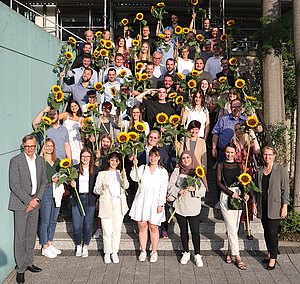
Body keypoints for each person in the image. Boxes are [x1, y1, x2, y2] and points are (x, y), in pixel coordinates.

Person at [9, 134, 47, 284]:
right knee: (20, 237)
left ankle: (29, 262)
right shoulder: (16, 161)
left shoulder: (41, 160)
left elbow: (44, 181)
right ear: (23, 146)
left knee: (31, 235)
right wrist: (29, 201)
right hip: (20, 203)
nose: (30, 149)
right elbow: (14, 185)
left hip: (35, 202)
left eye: (32, 146)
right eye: (27, 146)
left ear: (36, 145)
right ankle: (20, 269)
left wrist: (36, 200)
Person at [167, 151, 207, 267]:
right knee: (183, 231)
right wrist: (178, 191)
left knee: (195, 231)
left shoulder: (198, 171)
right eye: (183, 158)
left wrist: (194, 189)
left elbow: (203, 190)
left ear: (192, 158)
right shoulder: (177, 171)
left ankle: (197, 254)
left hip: (193, 206)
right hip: (180, 205)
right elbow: (170, 186)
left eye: (188, 157)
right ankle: (186, 252)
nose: (186, 160)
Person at [253, 146, 289, 270]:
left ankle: (273, 258)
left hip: (275, 206)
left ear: (274, 155)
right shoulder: (259, 171)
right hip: (263, 206)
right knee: (266, 231)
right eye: (265, 155)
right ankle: (270, 253)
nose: (267, 157)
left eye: (269, 155)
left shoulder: (280, 170)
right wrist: (254, 204)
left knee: (272, 232)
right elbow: (256, 191)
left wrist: (284, 206)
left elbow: (285, 190)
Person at [129, 147, 169, 263]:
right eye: (151, 156)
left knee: (154, 227)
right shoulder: (142, 168)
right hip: (142, 200)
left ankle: (154, 251)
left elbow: (163, 189)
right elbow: (134, 178)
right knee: (142, 227)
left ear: (159, 157)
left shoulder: (162, 171)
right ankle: (143, 250)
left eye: (155, 156)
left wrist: (161, 204)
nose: (153, 158)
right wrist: (135, 166)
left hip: (155, 202)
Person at [215, 143, 247, 270]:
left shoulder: (239, 165)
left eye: (232, 152)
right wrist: (230, 193)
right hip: (226, 195)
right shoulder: (221, 165)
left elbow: (243, 182)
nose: (229, 154)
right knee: (231, 227)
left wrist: (244, 193)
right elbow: (218, 183)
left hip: (238, 196)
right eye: (227, 152)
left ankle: (229, 251)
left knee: (235, 225)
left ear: (235, 153)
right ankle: (238, 257)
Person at [93, 152, 129, 264]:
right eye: (112, 160)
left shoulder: (120, 173)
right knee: (107, 231)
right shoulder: (102, 174)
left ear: (119, 162)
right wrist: (102, 188)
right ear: (108, 160)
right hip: (106, 204)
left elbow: (126, 186)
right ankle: (107, 253)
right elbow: (95, 189)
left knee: (116, 230)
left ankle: (114, 252)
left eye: (116, 160)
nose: (114, 162)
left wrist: (124, 177)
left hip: (119, 203)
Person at [70, 148, 98, 258]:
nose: (85, 159)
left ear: (90, 158)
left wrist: (97, 200)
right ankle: (78, 245)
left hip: (90, 199)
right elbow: (68, 183)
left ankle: (85, 245)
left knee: (88, 225)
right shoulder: (74, 169)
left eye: (87, 157)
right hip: (77, 198)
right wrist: (70, 184)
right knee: (77, 226)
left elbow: (97, 185)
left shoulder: (95, 170)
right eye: (83, 156)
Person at [39, 138, 61, 259]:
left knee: (53, 219)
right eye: (46, 145)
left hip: (56, 191)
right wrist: (41, 153)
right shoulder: (40, 161)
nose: (49, 148)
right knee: (45, 220)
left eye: (51, 146)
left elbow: (63, 174)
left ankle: (50, 242)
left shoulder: (57, 161)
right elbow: (37, 177)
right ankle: (44, 246)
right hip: (46, 191)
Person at [59, 100, 83, 165]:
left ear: (78, 106)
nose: (74, 107)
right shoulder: (66, 115)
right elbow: (55, 118)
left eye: (75, 105)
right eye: (72, 106)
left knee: (76, 160)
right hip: (65, 140)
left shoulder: (81, 119)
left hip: (76, 142)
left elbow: (83, 133)